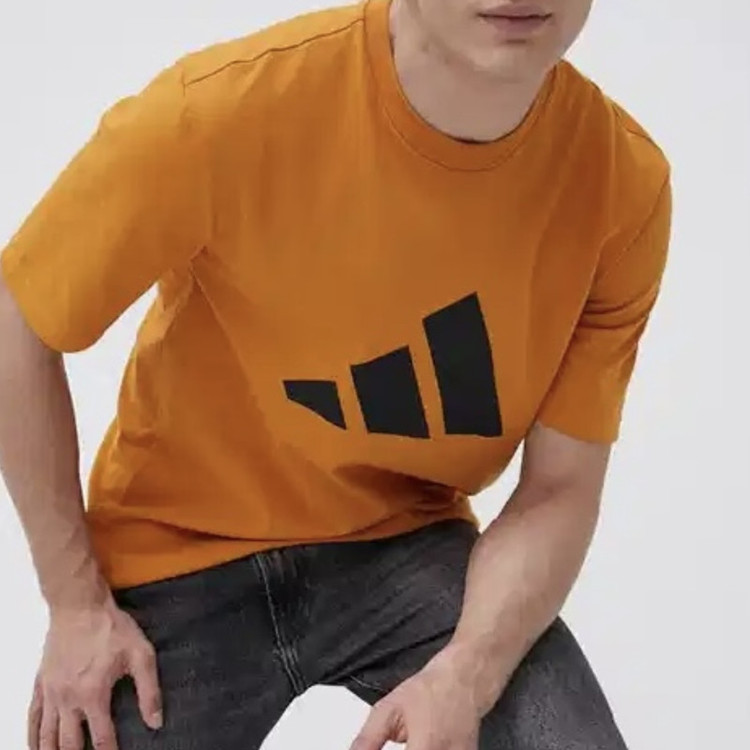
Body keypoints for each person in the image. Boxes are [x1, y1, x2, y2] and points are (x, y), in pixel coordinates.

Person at [0, 0, 673, 748]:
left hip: (403, 538)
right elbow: (16, 319)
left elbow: (559, 488)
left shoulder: (620, 185)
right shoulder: (219, 112)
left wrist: (464, 676)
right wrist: (75, 605)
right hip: (178, 543)